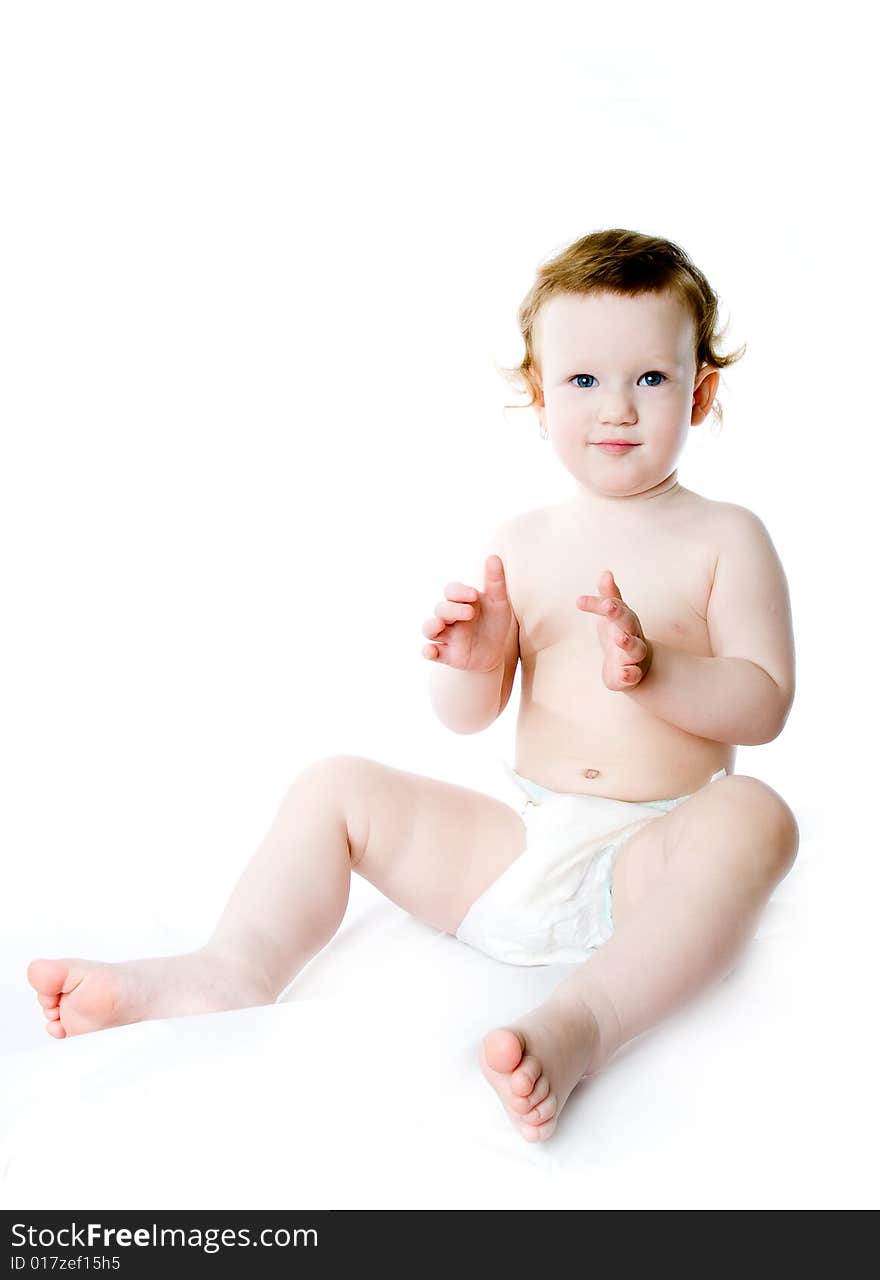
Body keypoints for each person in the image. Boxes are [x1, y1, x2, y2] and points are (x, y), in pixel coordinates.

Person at [27, 227, 798, 1144]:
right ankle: (233, 968)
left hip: (650, 863)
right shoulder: (524, 536)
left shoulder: (727, 537)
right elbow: (468, 722)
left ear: (701, 391)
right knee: (334, 786)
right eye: (584, 381)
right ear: (538, 391)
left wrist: (658, 671)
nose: (617, 409)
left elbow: (765, 701)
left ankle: (584, 1021)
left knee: (756, 814)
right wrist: (470, 666)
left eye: (652, 380)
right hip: (521, 845)